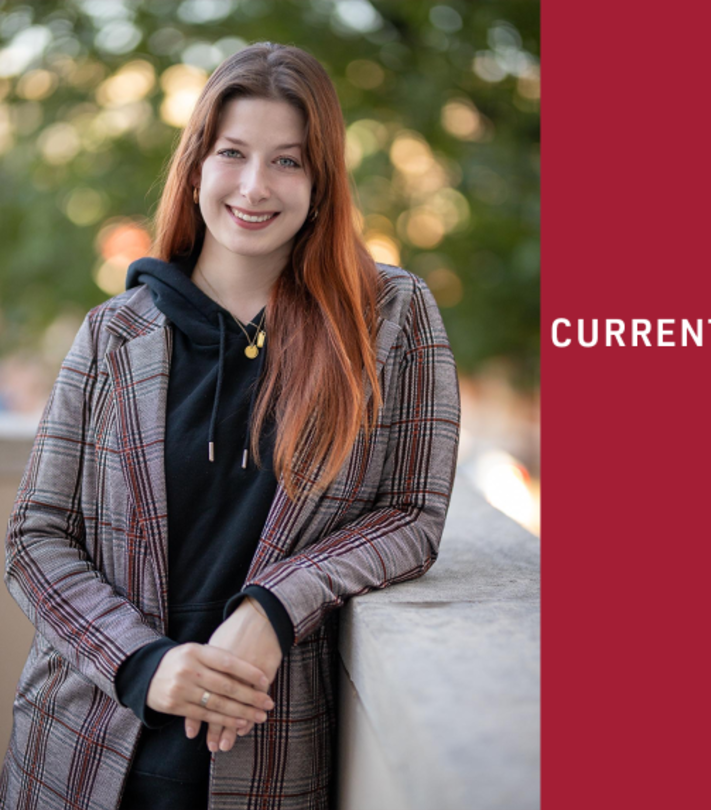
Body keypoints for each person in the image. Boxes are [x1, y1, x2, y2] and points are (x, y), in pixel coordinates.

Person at [1, 42, 460, 810]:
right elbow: (35, 535)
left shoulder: (388, 318)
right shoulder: (114, 334)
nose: (255, 186)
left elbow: (412, 514)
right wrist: (143, 662)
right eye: (233, 153)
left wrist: (273, 607)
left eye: (288, 162)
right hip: (80, 749)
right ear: (196, 167)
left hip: (265, 763)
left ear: (322, 182)